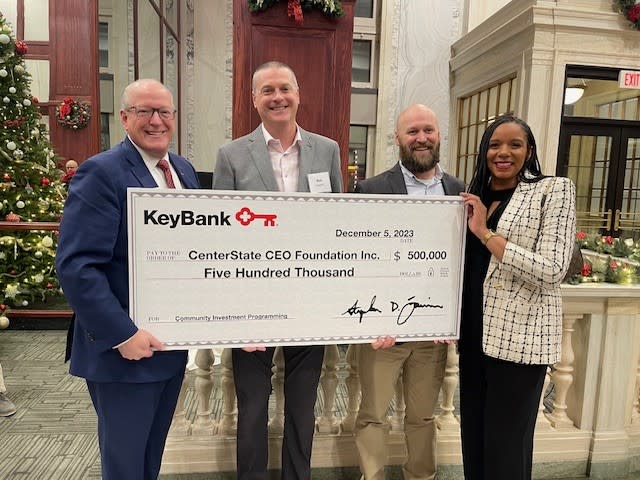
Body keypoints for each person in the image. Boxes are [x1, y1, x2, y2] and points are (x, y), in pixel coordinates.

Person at [55, 79, 200, 480]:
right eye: (144, 112)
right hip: (123, 353)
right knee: (124, 465)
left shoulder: (183, 170)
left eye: (164, 112)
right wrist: (123, 334)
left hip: (168, 350)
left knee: (150, 458)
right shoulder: (101, 172)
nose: (156, 121)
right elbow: (77, 266)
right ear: (124, 118)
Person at [213, 61, 343, 480]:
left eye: (284, 88)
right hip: (253, 302)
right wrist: (234, 309)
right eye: (267, 90)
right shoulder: (231, 155)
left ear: (298, 94)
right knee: (251, 407)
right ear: (255, 100)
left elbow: (338, 222)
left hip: (311, 299)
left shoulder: (328, 150)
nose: (277, 97)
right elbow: (220, 234)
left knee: (302, 406)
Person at [458, 114, 576, 480]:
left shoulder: (552, 190)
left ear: (529, 151)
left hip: (521, 344)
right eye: (494, 144)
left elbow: (553, 269)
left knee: (506, 449)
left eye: (514, 144)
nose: (503, 152)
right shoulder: (474, 197)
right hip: (474, 338)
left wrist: (485, 234)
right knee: (474, 441)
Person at [353, 104, 464, 480]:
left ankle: (421, 476)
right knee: (372, 415)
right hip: (383, 332)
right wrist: (368, 321)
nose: (421, 138)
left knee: (422, 417)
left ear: (439, 136)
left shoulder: (459, 191)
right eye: (412, 131)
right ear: (397, 139)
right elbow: (356, 259)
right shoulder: (370, 190)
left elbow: (463, 264)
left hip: (432, 335)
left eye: (428, 130)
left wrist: (451, 318)